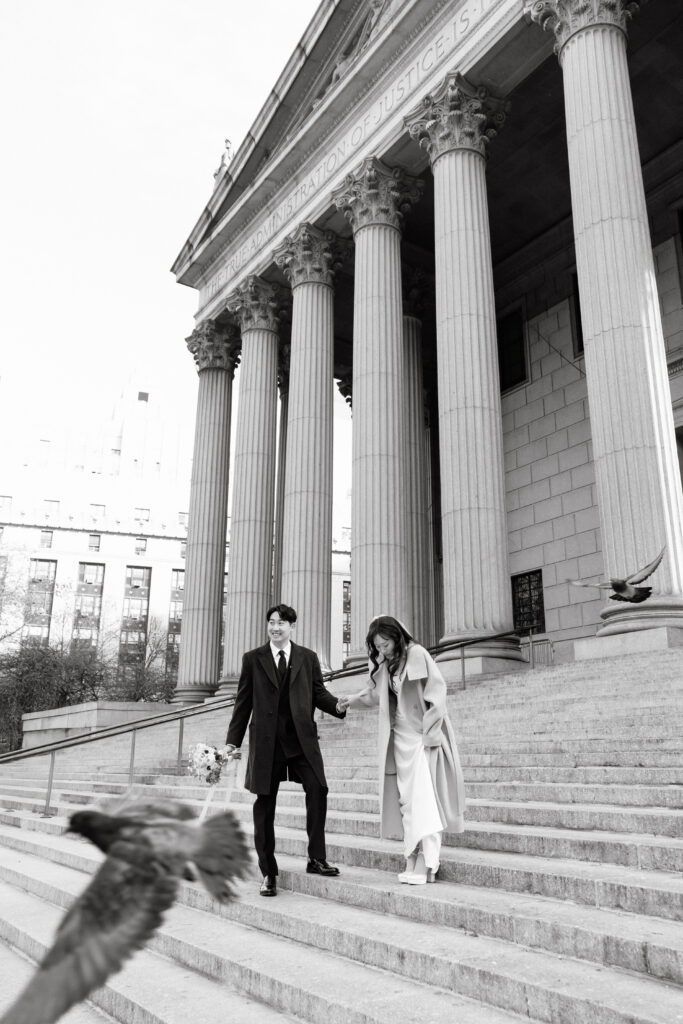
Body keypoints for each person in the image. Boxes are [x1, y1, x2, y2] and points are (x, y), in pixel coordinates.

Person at [224, 603, 346, 897]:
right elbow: (244, 703)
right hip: (268, 744)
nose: (275, 627)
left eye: (281, 623)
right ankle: (268, 872)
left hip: (301, 741)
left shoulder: (307, 657)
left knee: (318, 789)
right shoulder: (253, 659)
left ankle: (316, 858)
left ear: (293, 626)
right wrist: (232, 741)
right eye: (271, 622)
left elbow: (318, 692)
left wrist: (337, 706)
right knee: (264, 806)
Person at [337, 615, 464, 884]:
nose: (381, 650)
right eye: (377, 646)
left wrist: (430, 735)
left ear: (396, 636)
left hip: (421, 737)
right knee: (407, 801)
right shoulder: (385, 664)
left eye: (385, 644)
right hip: (399, 739)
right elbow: (373, 695)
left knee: (424, 799)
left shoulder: (417, 654)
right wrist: (350, 701)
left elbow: (437, 694)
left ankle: (428, 861)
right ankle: (412, 853)